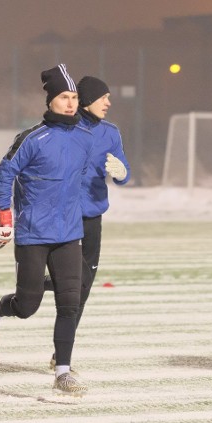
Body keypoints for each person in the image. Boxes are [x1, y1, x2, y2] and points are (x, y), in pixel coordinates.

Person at [0, 63, 93, 397]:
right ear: (50, 101)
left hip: (69, 235)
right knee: (27, 305)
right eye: (63, 97)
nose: (70, 103)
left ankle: (63, 372)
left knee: (69, 303)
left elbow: (82, 176)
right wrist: (5, 222)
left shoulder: (84, 140)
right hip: (32, 235)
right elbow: (2, 175)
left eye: (74, 97)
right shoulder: (31, 139)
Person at [44, 76, 131, 371]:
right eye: (103, 97)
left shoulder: (111, 132)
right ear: (88, 99)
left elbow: (125, 171)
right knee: (71, 285)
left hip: (93, 217)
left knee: (83, 286)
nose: (108, 103)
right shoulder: (67, 128)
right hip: (65, 216)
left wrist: (121, 173)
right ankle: (26, 292)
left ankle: (60, 355)